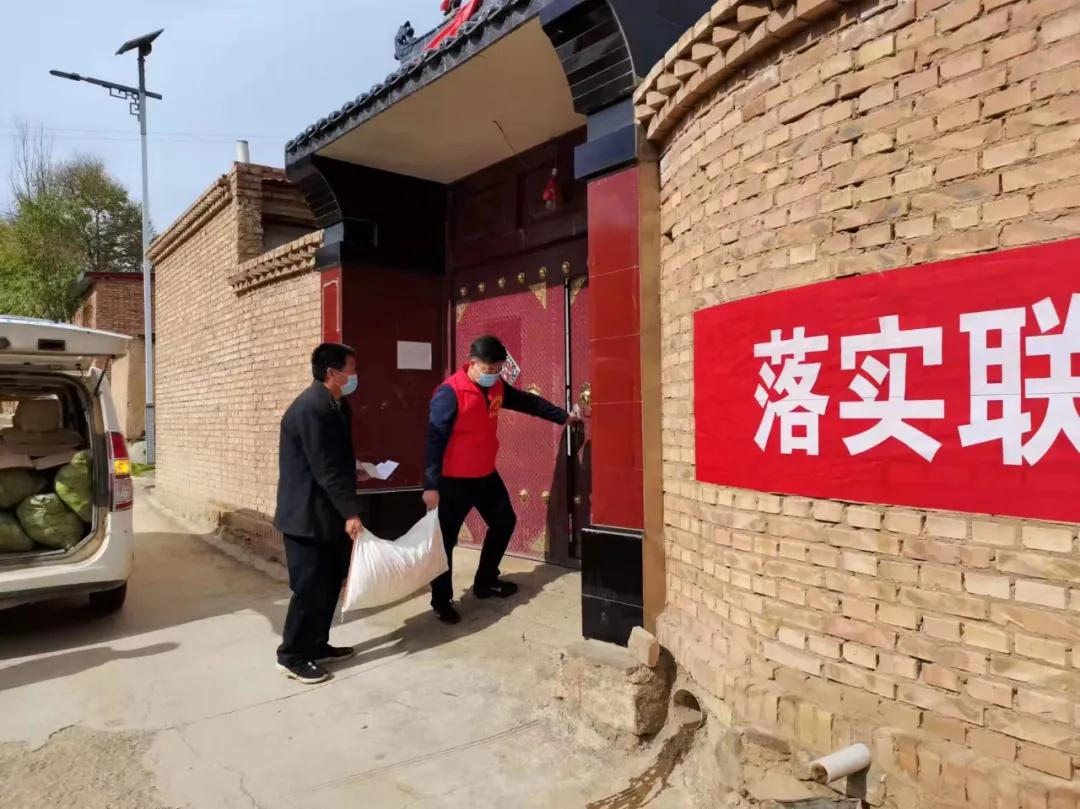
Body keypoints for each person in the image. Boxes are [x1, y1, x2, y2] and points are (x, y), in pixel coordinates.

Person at [423, 335, 581, 624]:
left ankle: (486, 582)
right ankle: (441, 601)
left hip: (485, 475)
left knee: (504, 521)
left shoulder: (495, 386)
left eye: (497, 370)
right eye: (489, 369)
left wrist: (562, 417)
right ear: (473, 364)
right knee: (444, 542)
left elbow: (526, 402)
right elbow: (434, 441)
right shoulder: (450, 393)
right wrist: (431, 486)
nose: (493, 375)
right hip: (453, 481)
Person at [274, 343, 369, 684]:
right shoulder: (310, 408)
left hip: (326, 514)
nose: (355, 375)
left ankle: (316, 643)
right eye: (351, 369)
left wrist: (354, 468)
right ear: (333, 373)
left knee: (329, 584)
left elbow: (334, 457)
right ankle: (291, 656)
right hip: (305, 516)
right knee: (308, 588)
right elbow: (324, 468)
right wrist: (351, 513)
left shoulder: (337, 405)